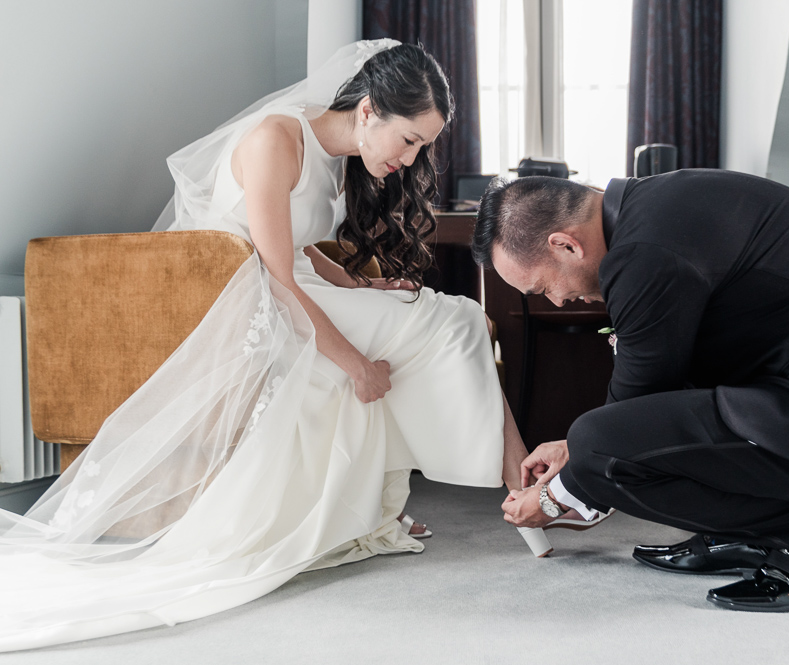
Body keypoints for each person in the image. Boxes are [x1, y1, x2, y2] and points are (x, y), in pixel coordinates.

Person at [0, 40, 551, 652]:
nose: (412, 157)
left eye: (423, 145)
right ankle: (524, 492)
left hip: (295, 283)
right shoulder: (274, 140)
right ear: (368, 111)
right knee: (456, 322)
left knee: (456, 320)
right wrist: (356, 365)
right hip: (260, 296)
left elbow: (303, 246)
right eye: (410, 139)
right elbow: (277, 271)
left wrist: (363, 283)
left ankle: (503, 490)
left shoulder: (330, 153)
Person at [472, 170, 789, 612]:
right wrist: (571, 452)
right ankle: (747, 534)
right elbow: (646, 388)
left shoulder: (647, 253)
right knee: (594, 440)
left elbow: (633, 409)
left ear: (566, 244)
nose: (557, 301)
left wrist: (558, 496)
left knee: (599, 447)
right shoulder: (658, 211)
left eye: (542, 288)